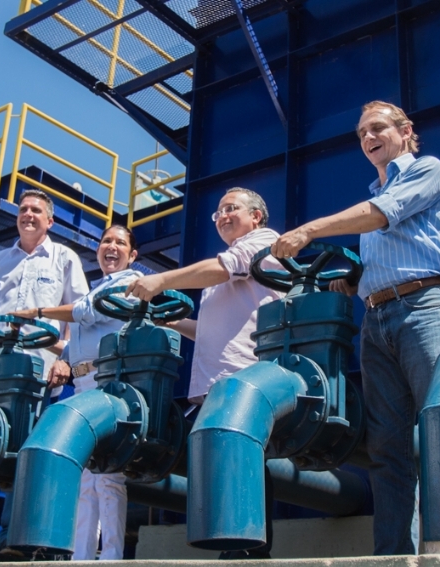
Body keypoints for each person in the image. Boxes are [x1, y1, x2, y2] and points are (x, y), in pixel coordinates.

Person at [271, 101, 440, 555]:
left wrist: (309, 230)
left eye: (377, 128)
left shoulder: (426, 170)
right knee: (388, 450)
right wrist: (355, 280)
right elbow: (394, 242)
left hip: (425, 310)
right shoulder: (374, 190)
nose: (368, 138)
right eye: (361, 133)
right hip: (377, 320)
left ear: (405, 130)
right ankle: (395, 556)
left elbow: (383, 214)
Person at [126, 187, 283, 558]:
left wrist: (161, 281)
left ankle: (252, 551)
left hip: (246, 376)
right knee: (231, 460)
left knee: (244, 458)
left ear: (256, 216)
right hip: (219, 382)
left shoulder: (264, 241)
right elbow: (210, 330)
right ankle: (236, 548)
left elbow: (221, 268)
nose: (222, 216)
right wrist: (176, 321)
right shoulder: (226, 267)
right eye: (218, 212)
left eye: (232, 208)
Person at [0, 189, 89, 552]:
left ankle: (16, 531)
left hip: (40, 372)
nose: (28, 215)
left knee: (30, 446)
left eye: (36, 211)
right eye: (23, 209)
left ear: (50, 220)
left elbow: (75, 311)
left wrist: (65, 359)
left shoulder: (64, 258)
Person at [11, 224, 142, 560]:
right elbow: (80, 339)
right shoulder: (96, 287)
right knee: (88, 479)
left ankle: (111, 556)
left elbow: (86, 313)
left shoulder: (128, 282)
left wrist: (38, 312)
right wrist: (60, 355)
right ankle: (82, 556)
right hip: (84, 383)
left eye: (119, 243)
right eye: (106, 241)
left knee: (108, 476)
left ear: (132, 255)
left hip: (109, 381)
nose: (111, 248)